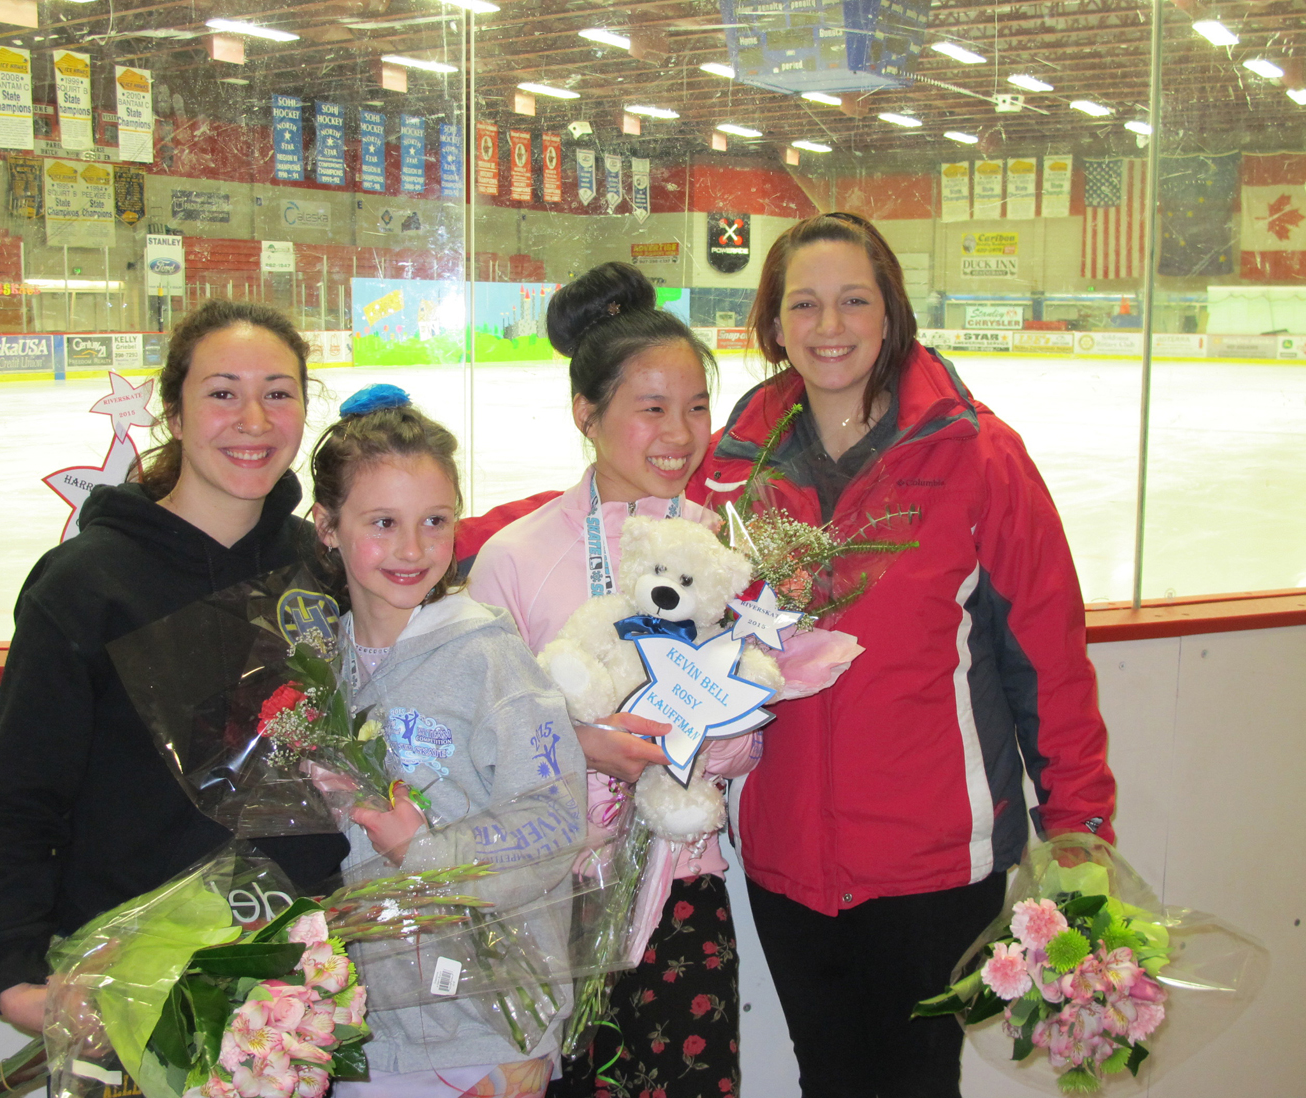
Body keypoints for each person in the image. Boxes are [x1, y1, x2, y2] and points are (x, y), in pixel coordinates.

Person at [689, 212, 1118, 1097]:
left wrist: (1079, 824)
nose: (830, 326)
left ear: (892, 313)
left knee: (917, 1083)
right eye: (804, 305)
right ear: (773, 324)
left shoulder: (978, 457)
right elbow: (658, 568)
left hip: (934, 860)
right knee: (830, 1079)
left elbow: (1048, 659)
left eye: (854, 300)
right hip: (786, 856)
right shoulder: (738, 461)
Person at [0, 300, 349, 1039]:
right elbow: (16, 796)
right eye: (223, 392)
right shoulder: (88, 583)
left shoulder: (325, 568)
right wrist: (12, 973)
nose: (254, 421)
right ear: (173, 410)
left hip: (304, 989)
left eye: (279, 393)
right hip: (131, 988)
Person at [465, 263, 752, 1098]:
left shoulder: (725, 554)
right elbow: (475, 746)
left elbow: (753, 720)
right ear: (587, 414)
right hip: (548, 899)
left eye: (698, 406)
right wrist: (582, 747)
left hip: (680, 896)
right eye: (652, 408)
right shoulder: (517, 559)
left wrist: (719, 736)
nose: (682, 432)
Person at [308, 384, 585, 1098]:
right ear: (327, 526)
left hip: (486, 1034)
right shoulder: (313, 671)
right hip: (365, 1033)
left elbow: (555, 820)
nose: (412, 549)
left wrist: (426, 853)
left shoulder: (490, 659)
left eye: (434, 521)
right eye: (382, 523)